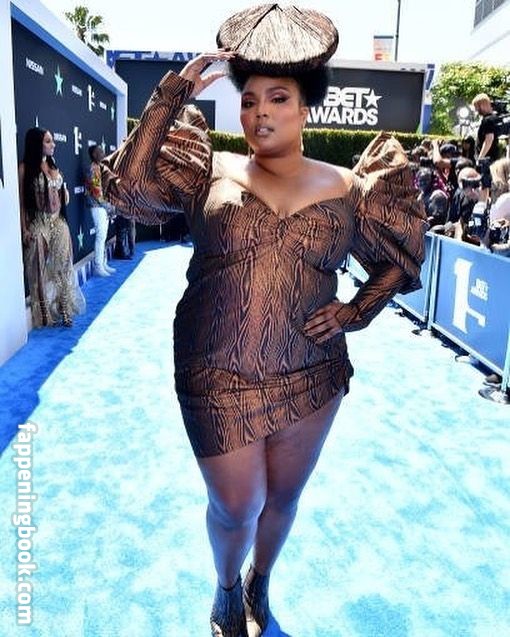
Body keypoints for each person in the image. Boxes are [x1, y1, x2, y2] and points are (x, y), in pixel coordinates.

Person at [99, 5, 427, 635]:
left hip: (310, 372)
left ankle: (260, 579)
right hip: (214, 368)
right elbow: (129, 189)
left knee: (282, 498)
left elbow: (400, 261)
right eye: (248, 101)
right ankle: (226, 583)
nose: (259, 113)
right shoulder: (208, 171)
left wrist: (357, 310)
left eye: (278, 99)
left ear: (306, 109)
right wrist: (171, 95)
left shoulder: (351, 189)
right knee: (235, 503)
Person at [18, 127, 85, 327]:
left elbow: (63, 196)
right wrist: (24, 230)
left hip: (58, 221)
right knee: (37, 268)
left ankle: (65, 308)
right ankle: (43, 315)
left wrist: (63, 192)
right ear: (36, 144)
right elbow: (21, 204)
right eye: (48, 141)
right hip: (39, 222)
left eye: (52, 140)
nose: (53, 144)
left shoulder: (53, 164)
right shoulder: (24, 169)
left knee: (63, 265)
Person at [85, 144, 116, 276]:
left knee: (103, 237)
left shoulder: (99, 167)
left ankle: (103, 263)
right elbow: (97, 193)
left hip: (101, 206)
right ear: (94, 155)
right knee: (100, 236)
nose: (103, 153)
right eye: (100, 152)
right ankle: (98, 266)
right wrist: (108, 207)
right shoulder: (93, 168)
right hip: (97, 207)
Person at [472, 93, 500, 163]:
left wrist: (480, 158)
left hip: (487, 160)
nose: (476, 110)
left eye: (476, 107)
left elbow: (489, 139)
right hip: (493, 158)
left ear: (482, 105)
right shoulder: (495, 118)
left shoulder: (487, 120)